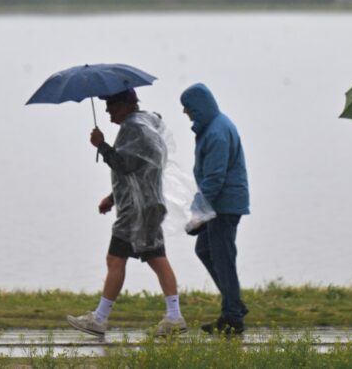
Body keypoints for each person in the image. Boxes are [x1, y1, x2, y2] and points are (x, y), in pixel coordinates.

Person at [66, 89, 187, 337]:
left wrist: (102, 146)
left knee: (116, 259)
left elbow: (124, 165)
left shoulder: (133, 128)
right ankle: (174, 316)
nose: (108, 111)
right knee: (155, 257)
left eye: (111, 105)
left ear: (124, 105)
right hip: (149, 203)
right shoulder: (147, 124)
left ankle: (99, 319)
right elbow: (140, 170)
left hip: (136, 209)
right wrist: (112, 198)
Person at [180, 83, 250, 336]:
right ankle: (235, 303)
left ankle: (233, 317)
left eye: (188, 109)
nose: (186, 114)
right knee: (206, 250)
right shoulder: (214, 127)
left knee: (223, 259)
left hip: (224, 205)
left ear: (199, 107)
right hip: (221, 204)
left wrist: (197, 213)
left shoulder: (217, 133)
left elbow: (215, 178)